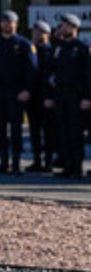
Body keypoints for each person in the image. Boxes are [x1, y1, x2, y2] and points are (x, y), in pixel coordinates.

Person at [0, 11, 37, 174]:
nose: (6, 24)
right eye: (4, 22)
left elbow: (32, 70)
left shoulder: (24, 44)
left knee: (15, 129)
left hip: (16, 92)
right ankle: (3, 160)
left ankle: (16, 162)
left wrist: (27, 90)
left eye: (10, 22)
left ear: (16, 24)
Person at [45, 13, 90, 179]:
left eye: (66, 26)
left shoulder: (82, 48)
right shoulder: (58, 47)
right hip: (60, 95)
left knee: (75, 133)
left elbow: (88, 75)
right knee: (62, 132)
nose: (62, 28)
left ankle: (77, 167)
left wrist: (87, 97)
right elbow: (50, 73)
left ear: (74, 28)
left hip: (76, 96)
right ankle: (67, 165)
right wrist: (49, 95)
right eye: (62, 25)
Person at [27, 20, 56, 172]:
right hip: (32, 97)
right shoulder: (30, 51)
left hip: (47, 97)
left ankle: (49, 161)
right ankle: (37, 160)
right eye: (35, 32)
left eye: (40, 32)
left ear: (47, 34)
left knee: (49, 131)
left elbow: (52, 77)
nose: (37, 35)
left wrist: (50, 96)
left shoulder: (52, 51)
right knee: (34, 131)